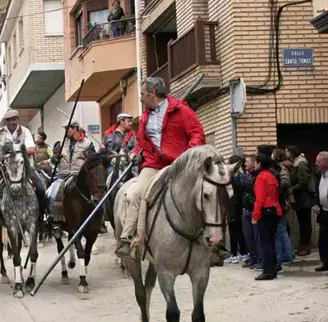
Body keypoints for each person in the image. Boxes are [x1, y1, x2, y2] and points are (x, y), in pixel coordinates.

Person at [116, 76, 205, 259]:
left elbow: (197, 134)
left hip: (179, 164)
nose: (140, 98)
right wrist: (136, 152)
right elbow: (142, 142)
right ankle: (127, 238)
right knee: (135, 194)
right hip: (153, 165)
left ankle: (212, 242)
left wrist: (189, 154)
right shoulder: (145, 117)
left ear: (152, 93)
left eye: (142, 94)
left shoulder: (182, 110)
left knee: (205, 193)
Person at [0, 109, 46, 232]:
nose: (11, 122)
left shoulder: (25, 131)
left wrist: (15, 151)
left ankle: (41, 219)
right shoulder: (0, 132)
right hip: (5, 168)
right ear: (6, 121)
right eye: (8, 120)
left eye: (13, 119)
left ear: (17, 119)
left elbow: (31, 149)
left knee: (41, 189)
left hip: (24, 167)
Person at [47, 121, 97, 229]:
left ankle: (99, 221)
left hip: (80, 175)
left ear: (75, 129)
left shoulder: (87, 143)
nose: (65, 131)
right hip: (63, 175)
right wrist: (55, 158)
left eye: (67, 128)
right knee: (52, 195)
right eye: (65, 129)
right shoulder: (60, 144)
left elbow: (93, 159)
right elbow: (53, 158)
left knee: (96, 193)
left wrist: (89, 156)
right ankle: (56, 221)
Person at [252, 154, 282, 281]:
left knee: (265, 242)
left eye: (255, 162)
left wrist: (255, 215)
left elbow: (260, 199)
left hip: (265, 211)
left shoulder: (261, 177)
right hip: (274, 210)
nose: (254, 164)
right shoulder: (271, 175)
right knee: (271, 241)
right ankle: (273, 268)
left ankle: (268, 270)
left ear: (259, 163)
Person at [285, 146, 313, 256]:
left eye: (287, 151)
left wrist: (292, 189)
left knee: (305, 223)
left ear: (292, 152)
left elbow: (304, 181)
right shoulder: (294, 164)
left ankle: (306, 245)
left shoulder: (300, 164)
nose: (286, 153)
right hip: (299, 198)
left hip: (304, 198)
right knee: (301, 223)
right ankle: (302, 245)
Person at [272, 148, 295, 264]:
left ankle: (287, 254)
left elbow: (285, 181)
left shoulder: (282, 168)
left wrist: (275, 185)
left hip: (282, 202)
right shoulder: (280, 167)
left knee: (281, 229)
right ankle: (288, 253)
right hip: (281, 201)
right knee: (281, 229)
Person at [224, 155, 249, 263]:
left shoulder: (241, 176)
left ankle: (243, 252)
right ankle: (234, 253)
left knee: (238, 230)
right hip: (231, 206)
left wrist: (236, 176)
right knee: (233, 230)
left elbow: (241, 188)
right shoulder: (231, 177)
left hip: (238, 206)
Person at [241, 154, 260, 269]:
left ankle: (258, 258)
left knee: (256, 236)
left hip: (254, 209)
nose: (245, 164)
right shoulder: (246, 176)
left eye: (247, 162)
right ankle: (252, 257)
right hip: (246, 208)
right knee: (248, 236)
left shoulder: (257, 176)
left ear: (254, 162)